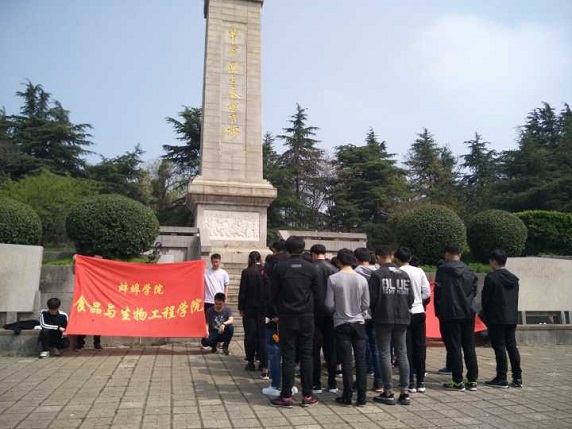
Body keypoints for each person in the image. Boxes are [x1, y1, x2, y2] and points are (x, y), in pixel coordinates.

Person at [270, 236, 321, 408]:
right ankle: (307, 395)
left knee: (288, 356)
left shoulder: (280, 267)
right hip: (306, 316)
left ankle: (286, 396)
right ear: (303, 248)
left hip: (287, 317)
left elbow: (273, 293)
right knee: (306, 355)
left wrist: (277, 311)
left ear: (287, 248)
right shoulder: (311, 268)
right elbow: (318, 294)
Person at [369, 245, 414, 406]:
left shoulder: (377, 274)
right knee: (402, 353)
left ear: (378, 257)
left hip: (383, 318)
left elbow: (372, 299)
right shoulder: (404, 274)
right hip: (402, 317)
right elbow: (411, 298)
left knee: (384, 353)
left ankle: (388, 391)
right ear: (392, 256)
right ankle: (405, 391)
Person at [325, 249, 369, 406]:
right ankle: (362, 396)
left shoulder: (333, 279)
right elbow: (366, 303)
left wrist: (338, 311)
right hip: (359, 322)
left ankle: (347, 395)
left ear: (339, 261)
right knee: (361, 360)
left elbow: (329, 304)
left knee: (346, 361)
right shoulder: (362, 279)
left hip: (341, 322)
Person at [435, 244, 479, 391]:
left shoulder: (443, 270)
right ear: (459, 254)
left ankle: (457, 380)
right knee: (469, 346)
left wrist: (438, 312)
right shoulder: (469, 270)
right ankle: (472, 380)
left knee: (454, 347)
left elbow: (438, 293)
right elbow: (474, 291)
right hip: (468, 312)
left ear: (447, 254)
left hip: (450, 313)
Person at [481, 249, 523, 388]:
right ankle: (517, 377)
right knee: (512, 346)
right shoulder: (514, 279)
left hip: (496, 317)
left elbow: (486, 299)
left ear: (494, 261)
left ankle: (501, 377)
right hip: (511, 317)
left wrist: (485, 315)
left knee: (499, 347)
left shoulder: (491, 277)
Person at [395, 246, 430, 393]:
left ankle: (410, 381)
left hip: (404, 314)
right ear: (409, 258)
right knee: (420, 347)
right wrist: (418, 301)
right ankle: (421, 381)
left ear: (396, 258)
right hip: (419, 311)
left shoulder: (397, 272)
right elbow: (427, 292)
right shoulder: (419, 271)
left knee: (406, 349)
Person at [309, 243, 339, 394]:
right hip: (331, 314)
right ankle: (332, 383)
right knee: (330, 349)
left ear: (313, 254)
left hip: (314, 313)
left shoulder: (310, 269)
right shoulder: (334, 269)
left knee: (314, 350)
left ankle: (316, 383)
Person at [354, 247, 383, 393]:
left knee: (361, 348)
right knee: (376, 348)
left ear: (356, 259)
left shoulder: (355, 273)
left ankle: (361, 381)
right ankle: (379, 382)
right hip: (377, 313)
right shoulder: (379, 271)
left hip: (360, 314)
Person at [239, 251, 269, 378]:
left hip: (249, 307)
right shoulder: (265, 271)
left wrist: (241, 307)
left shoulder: (247, 272)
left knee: (250, 334)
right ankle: (263, 362)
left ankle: (251, 361)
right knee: (262, 335)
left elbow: (243, 291)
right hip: (263, 308)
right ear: (260, 258)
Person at [204, 254, 230, 323]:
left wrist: (225, 297)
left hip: (219, 301)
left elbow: (226, 286)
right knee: (208, 320)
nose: (215, 264)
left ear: (220, 261)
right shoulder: (205, 272)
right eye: (213, 262)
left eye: (216, 262)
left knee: (219, 320)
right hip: (208, 300)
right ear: (211, 261)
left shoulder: (224, 273)